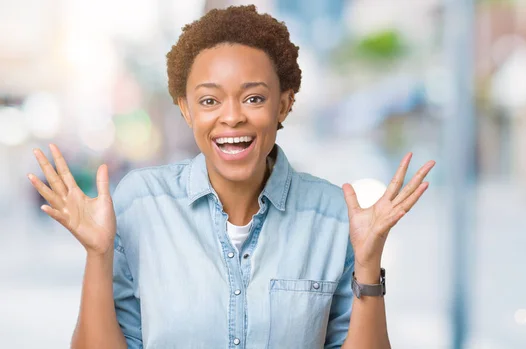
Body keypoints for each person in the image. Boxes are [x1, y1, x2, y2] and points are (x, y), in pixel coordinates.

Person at [27, 5, 434, 349]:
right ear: (187, 110)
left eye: (254, 97)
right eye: (209, 100)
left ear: (284, 105)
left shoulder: (332, 215)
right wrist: (98, 255)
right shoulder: (140, 202)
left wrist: (368, 264)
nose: (232, 115)